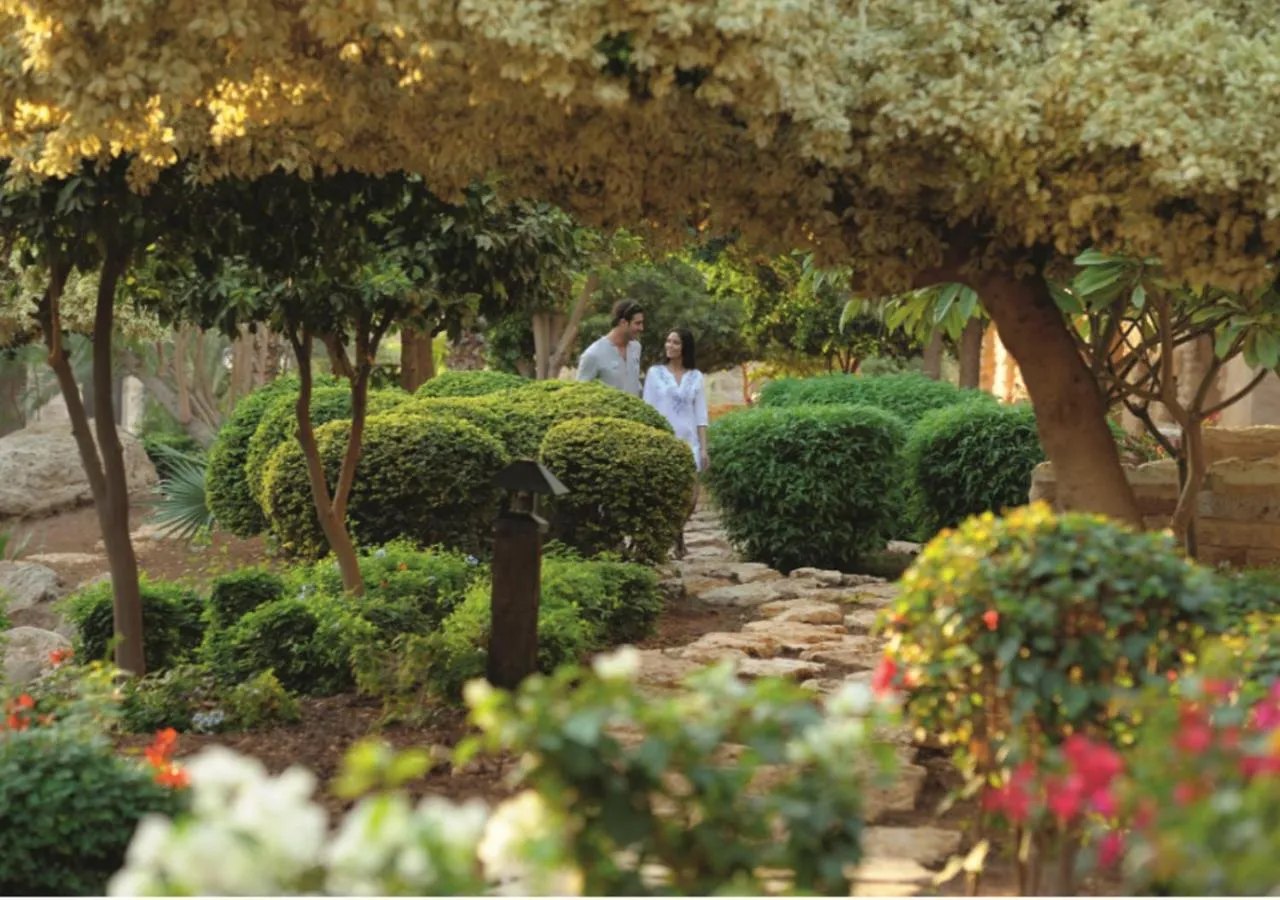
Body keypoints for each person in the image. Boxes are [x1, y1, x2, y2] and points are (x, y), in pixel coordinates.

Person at [643, 328, 710, 557]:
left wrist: (704, 449)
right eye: (668, 341)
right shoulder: (655, 374)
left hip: (689, 442)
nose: (669, 346)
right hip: (664, 442)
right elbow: (648, 408)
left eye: (676, 342)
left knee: (691, 497)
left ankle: (677, 531)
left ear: (685, 348)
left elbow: (701, 415)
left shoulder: (696, 377)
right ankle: (676, 539)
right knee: (667, 494)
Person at [576, 299, 644, 396]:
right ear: (623, 322)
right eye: (637, 323)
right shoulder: (593, 355)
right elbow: (579, 393)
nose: (641, 328)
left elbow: (633, 383)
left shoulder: (636, 348)